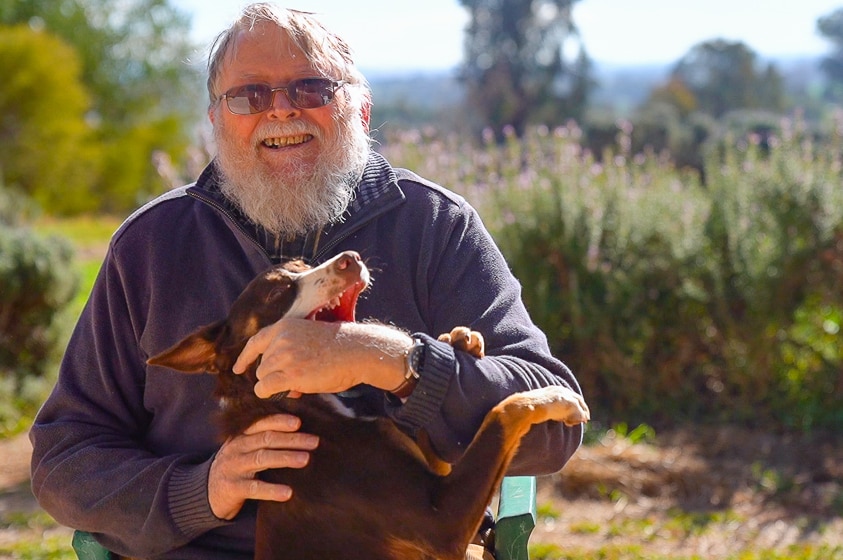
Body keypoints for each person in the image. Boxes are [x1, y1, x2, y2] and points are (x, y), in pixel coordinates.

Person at [29, 3, 585, 558]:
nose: (280, 111)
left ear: (360, 111)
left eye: (311, 88)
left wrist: (392, 360)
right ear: (217, 121)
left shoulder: (436, 227)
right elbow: (64, 455)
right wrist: (198, 491)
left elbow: (554, 426)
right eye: (250, 96)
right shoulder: (151, 246)